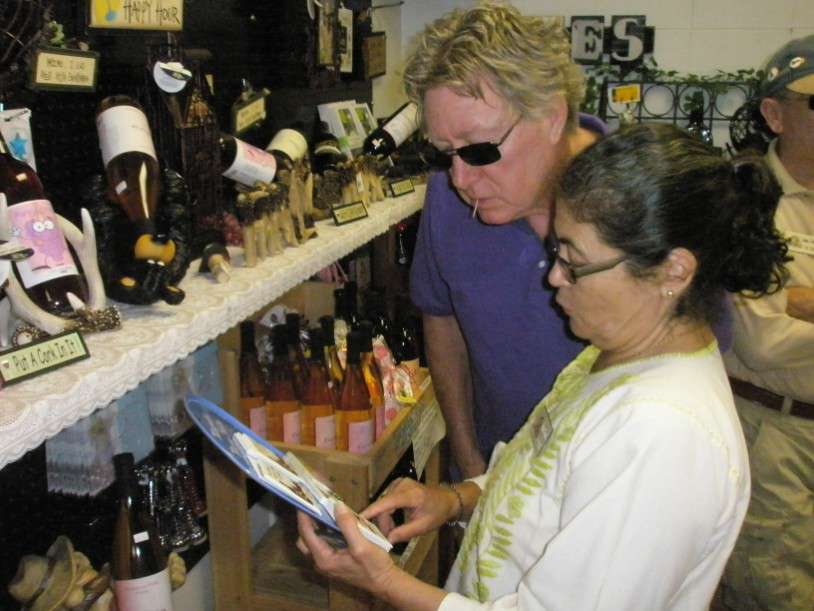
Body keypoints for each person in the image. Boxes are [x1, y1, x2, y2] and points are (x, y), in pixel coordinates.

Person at [297, 123, 789, 610]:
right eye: (556, 251)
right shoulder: (616, 355)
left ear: (673, 271)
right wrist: (457, 499)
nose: (554, 277)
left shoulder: (662, 434)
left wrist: (384, 581)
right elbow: (551, 478)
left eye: (574, 262)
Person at [406, 3, 607, 478]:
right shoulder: (448, 198)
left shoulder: (641, 198)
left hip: (608, 481)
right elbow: (441, 319)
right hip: (492, 472)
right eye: (445, 154)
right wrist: (469, 459)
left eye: (479, 150)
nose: (461, 178)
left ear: (552, 115)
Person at [722, 34, 814, 611]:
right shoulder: (747, 200)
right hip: (777, 437)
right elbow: (764, 341)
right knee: (774, 592)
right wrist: (787, 309)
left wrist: (803, 301)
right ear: (775, 115)